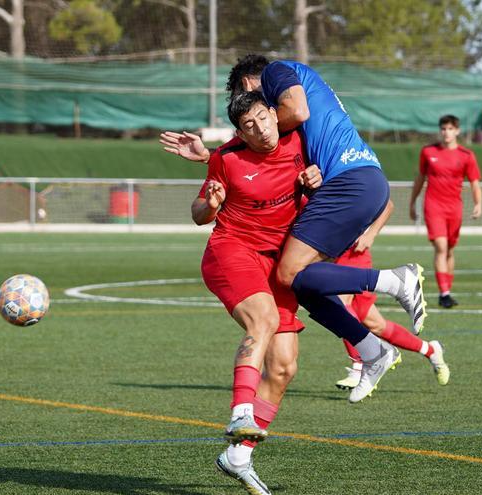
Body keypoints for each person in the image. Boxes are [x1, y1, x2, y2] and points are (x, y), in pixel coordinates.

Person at [214, 54, 426, 405]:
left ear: (250, 83)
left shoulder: (276, 71)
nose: (254, 116)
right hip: (354, 182)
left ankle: (395, 281)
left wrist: (241, 140)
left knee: (286, 272)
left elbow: (297, 112)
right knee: (304, 286)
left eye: (250, 102)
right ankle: (372, 350)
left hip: (351, 182)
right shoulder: (294, 98)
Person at [191, 91, 331, 495]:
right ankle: (240, 414)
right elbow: (199, 215)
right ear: (239, 132)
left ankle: (238, 456)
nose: (260, 130)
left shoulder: (300, 141)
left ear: (274, 114)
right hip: (231, 251)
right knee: (263, 320)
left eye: (263, 119)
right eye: (248, 127)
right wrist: (211, 205)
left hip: (279, 261)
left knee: (285, 366)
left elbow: (317, 186)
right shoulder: (226, 158)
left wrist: (315, 181)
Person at [333, 205, 450, 389]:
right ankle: (431, 350)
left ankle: (359, 366)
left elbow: (387, 205)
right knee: (376, 324)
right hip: (332, 256)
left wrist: (370, 234)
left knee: (339, 304)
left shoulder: (347, 177)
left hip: (354, 254)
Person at [409, 115, 482, 309]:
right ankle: (444, 294)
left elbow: (474, 182)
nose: (446, 132)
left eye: (450, 128)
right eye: (443, 128)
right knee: (441, 247)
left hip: (454, 207)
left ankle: (447, 289)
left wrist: (478, 203)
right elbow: (420, 177)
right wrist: (412, 202)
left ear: (457, 131)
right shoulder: (428, 152)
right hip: (433, 206)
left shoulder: (466, 155)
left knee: (449, 249)